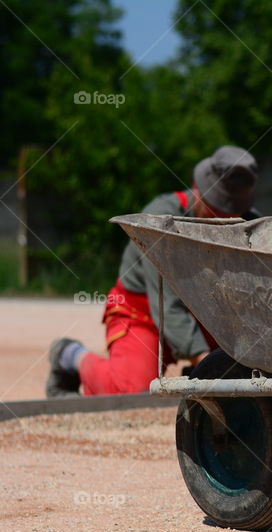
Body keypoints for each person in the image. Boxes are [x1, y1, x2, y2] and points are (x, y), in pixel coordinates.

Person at [46, 146, 260, 397]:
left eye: (232, 210)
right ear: (196, 188)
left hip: (202, 315)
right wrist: (209, 364)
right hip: (143, 312)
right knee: (132, 392)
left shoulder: (247, 222)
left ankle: (195, 375)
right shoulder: (160, 220)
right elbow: (167, 304)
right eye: (217, 207)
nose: (223, 218)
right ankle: (69, 355)